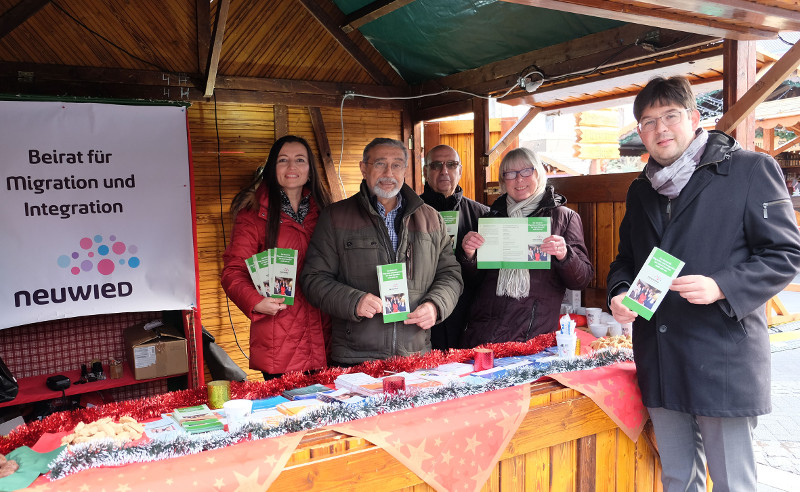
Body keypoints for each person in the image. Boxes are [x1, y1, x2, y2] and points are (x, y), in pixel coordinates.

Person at [607, 76, 800, 492]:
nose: (660, 129)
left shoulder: (749, 169)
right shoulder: (642, 190)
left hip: (721, 357)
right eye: (647, 121)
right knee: (678, 479)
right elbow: (626, 259)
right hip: (659, 356)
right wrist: (619, 292)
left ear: (695, 118)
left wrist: (722, 286)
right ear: (639, 133)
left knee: (733, 482)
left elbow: (786, 254)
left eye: (670, 116)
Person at [301, 138, 463, 366]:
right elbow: (313, 279)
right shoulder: (335, 217)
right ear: (363, 168)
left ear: (405, 170)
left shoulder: (431, 218)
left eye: (396, 165)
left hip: (415, 356)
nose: (389, 173)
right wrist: (353, 301)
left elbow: (450, 274)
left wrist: (435, 305)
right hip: (356, 358)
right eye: (379, 164)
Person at [221, 135, 332, 381]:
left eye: (300, 160)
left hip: (327, 333)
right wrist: (255, 302)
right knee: (289, 415)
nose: (292, 167)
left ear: (310, 170)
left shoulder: (327, 211)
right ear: (272, 168)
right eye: (283, 160)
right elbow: (233, 271)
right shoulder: (252, 215)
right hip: (279, 337)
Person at [460, 147, 593, 347]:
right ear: (503, 181)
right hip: (483, 335)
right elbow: (475, 281)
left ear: (538, 174)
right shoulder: (491, 218)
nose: (519, 179)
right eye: (511, 174)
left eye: (526, 171)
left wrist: (565, 255)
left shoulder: (563, 218)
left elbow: (581, 279)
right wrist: (469, 256)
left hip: (531, 337)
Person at [419, 144, 489, 350]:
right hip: (424, 312)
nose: (444, 171)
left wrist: (471, 257)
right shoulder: (409, 212)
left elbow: (489, 275)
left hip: (467, 315)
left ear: (460, 170)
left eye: (451, 164)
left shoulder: (483, 215)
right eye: (436, 165)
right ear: (425, 172)